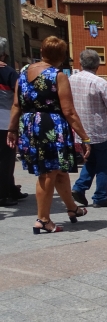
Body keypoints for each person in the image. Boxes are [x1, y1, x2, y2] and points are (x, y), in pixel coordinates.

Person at [7, 36, 91, 234]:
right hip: (50, 126)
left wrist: (12, 129)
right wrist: (85, 137)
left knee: (58, 171)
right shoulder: (58, 75)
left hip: (29, 125)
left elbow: (16, 104)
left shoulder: (24, 72)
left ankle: (72, 209)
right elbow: (69, 111)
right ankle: (43, 219)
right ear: (61, 57)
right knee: (47, 173)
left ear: (42, 52)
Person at [69, 50, 107, 208]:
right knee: (104, 166)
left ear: (80, 63)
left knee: (91, 161)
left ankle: (79, 187)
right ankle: (100, 196)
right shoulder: (100, 83)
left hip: (80, 130)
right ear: (98, 65)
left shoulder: (70, 79)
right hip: (100, 131)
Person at [0, 37, 21, 206]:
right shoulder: (9, 72)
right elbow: (19, 97)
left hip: (5, 121)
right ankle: (4, 193)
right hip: (6, 121)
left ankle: (11, 188)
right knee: (6, 159)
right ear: (4, 55)